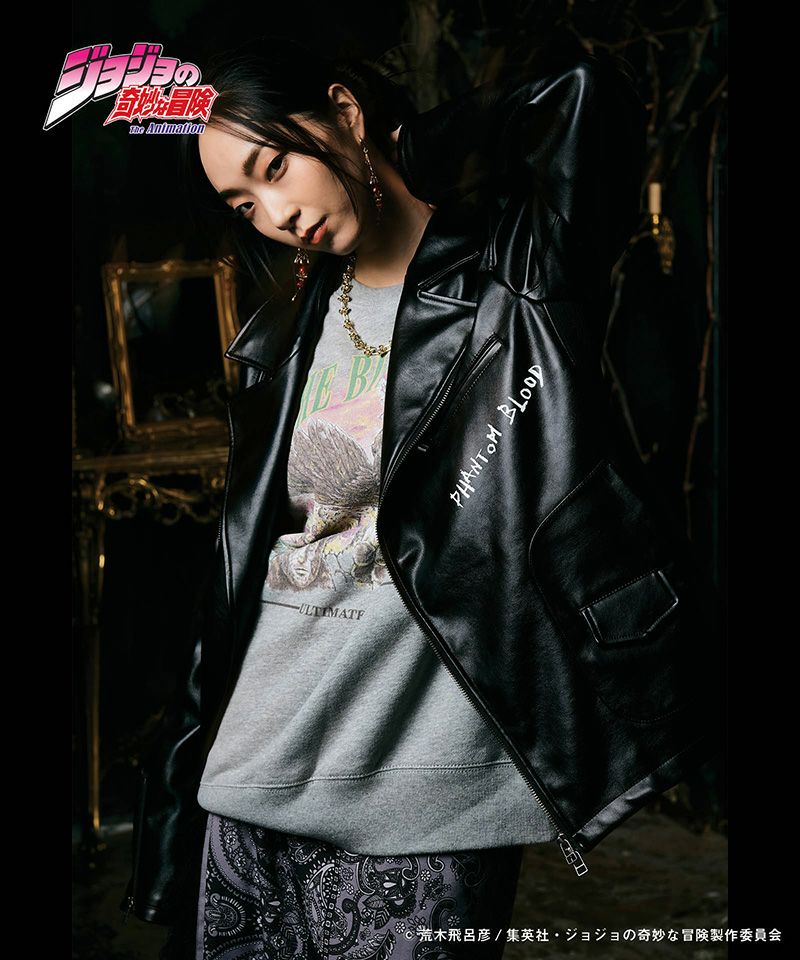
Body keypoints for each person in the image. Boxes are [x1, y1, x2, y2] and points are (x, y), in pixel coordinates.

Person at [120, 33, 723, 960]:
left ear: (342, 112)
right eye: (244, 203)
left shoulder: (516, 276)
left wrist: (395, 146)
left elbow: (583, 92)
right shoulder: (282, 338)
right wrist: (177, 795)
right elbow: (241, 580)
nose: (277, 214)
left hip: (427, 794)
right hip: (253, 775)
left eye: (276, 167)